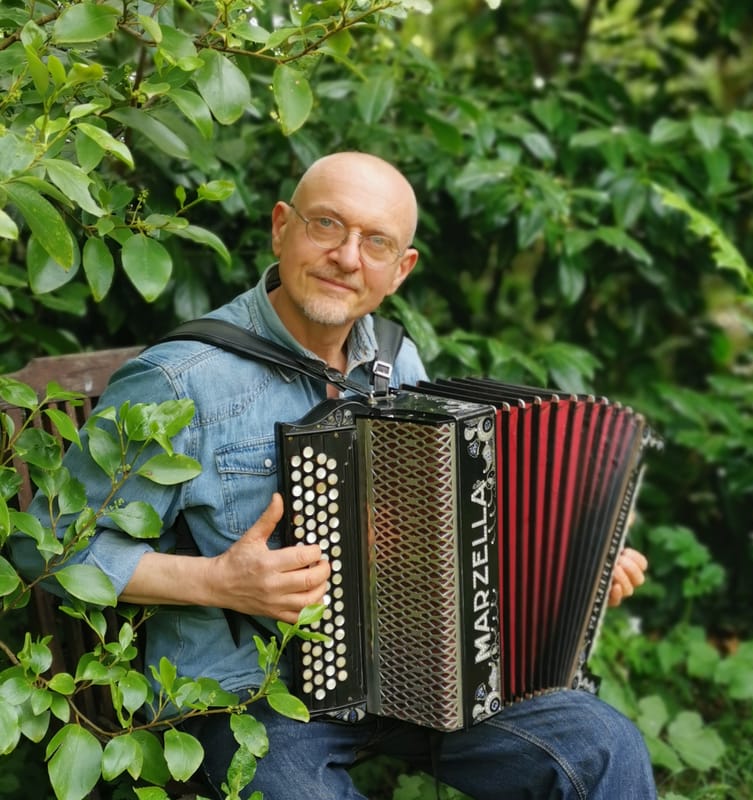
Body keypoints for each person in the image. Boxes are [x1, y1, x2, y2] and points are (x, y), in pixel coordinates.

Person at [23, 152, 656, 799]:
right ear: (281, 228)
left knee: (603, 748)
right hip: (249, 693)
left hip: (409, 673)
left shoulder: (394, 359)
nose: (347, 257)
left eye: (375, 241)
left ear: (399, 269)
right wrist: (217, 581)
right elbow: (45, 545)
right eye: (327, 224)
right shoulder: (180, 382)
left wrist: (565, 582)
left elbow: (446, 532)